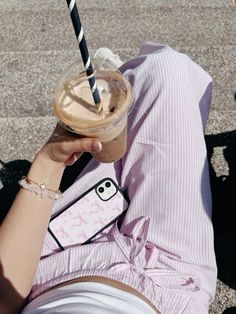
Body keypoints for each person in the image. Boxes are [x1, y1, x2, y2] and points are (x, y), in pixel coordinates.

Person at [0, 42, 217, 314]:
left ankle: (116, 108)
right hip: (168, 278)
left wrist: (50, 163)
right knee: (169, 69)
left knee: (153, 76)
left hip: (47, 266)